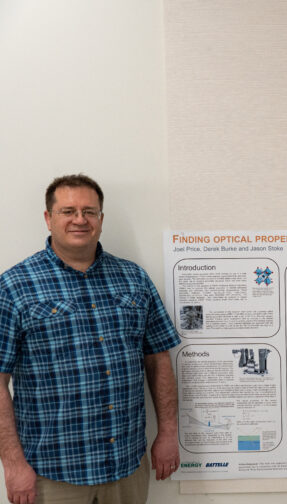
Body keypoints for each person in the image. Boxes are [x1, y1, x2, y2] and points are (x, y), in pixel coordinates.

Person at [0, 174, 181, 504]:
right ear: (48, 218)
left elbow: (159, 360)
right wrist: (12, 465)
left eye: (89, 211)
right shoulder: (14, 286)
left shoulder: (134, 279)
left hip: (126, 466)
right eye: (68, 211)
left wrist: (168, 433)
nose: (80, 219)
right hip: (52, 473)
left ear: (101, 218)